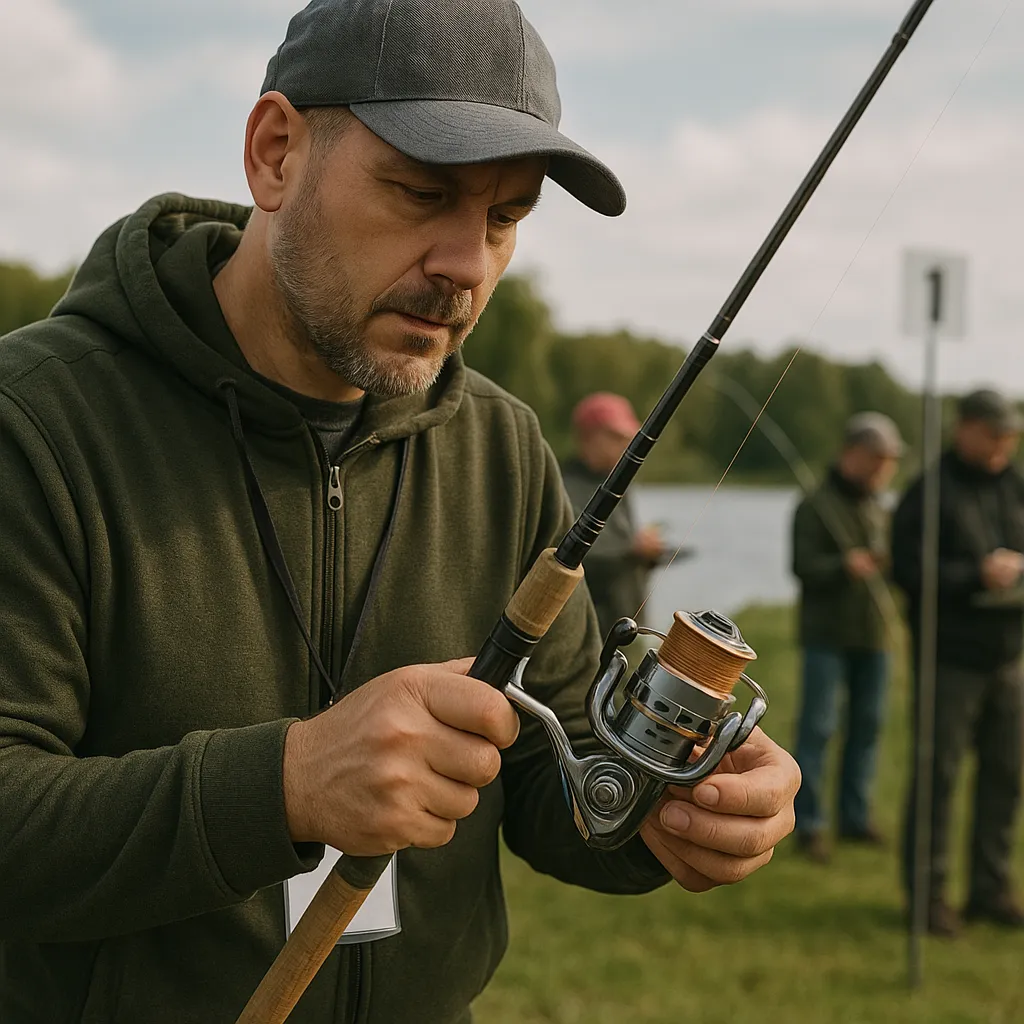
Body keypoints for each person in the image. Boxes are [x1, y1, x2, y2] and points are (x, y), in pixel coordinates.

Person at [0, 2, 800, 1020]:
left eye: (504, 219)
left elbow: (548, 775)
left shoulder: (501, 446)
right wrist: (286, 784)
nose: (467, 263)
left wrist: (665, 804)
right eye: (423, 192)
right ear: (276, 153)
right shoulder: (36, 424)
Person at [892, 388, 1024, 937]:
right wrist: (976, 576)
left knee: (1006, 776)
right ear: (964, 428)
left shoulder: (1016, 485)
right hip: (949, 660)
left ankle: (990, 890)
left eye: (1009, 436)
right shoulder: (928, 492)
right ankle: (927, 899)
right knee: (937, 779)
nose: (1003, 445)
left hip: (1010, 658)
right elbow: (907, 570)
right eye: (994, 435)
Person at [791, 413, 904, 863]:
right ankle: (809, 824)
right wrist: (843, 567)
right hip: (827, 636)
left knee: (868, 726)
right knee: (818, 728)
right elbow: (801, 567)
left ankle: (855, 818)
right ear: (851, 454)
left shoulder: (881, 509)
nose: (884, 469)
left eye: (889, 461)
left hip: (874, 636)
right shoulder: (813, 505)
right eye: (877, 459)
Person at [561, 393, 667, 637]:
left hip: (625, 627)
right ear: (587, 436)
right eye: (615, 437)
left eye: (628, 438)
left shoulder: (619, 484)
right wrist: (633, 547)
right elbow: (568, 554)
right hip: (584, 632)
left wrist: (649, 554)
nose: (625, 445)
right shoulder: (562, 486)